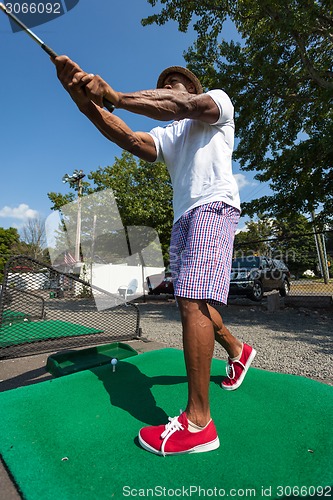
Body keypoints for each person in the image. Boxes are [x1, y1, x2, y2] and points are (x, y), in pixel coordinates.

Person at [53, 56, 256, 456]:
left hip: (213, 207)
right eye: (165, 81)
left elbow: (181, 105)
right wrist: (84, 101)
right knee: (193, 299)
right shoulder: (169, 136)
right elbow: (129, 138)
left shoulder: (216, 104)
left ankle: (199, 423)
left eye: (177, 82)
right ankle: (237, 349)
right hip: (184, 218)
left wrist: (115, 95)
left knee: (193, 301)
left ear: (192, 89)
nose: (170, 85)